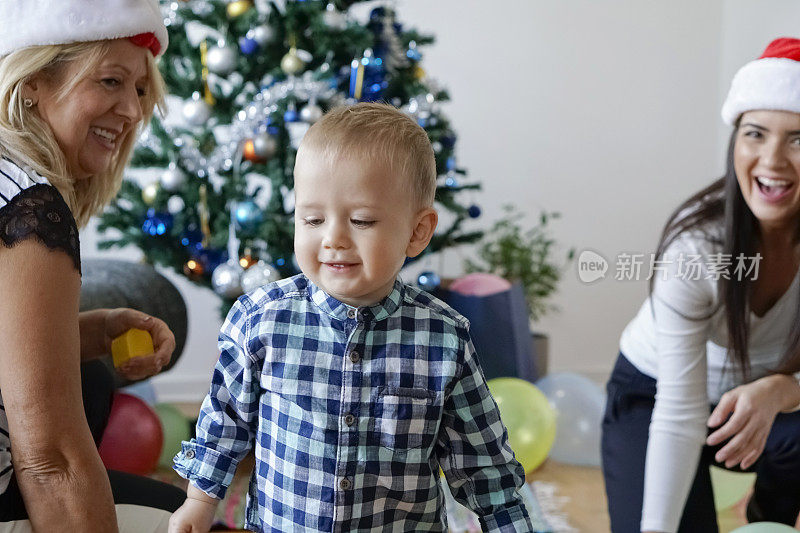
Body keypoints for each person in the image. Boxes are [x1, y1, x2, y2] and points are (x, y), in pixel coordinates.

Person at [169, 102, 534, 532]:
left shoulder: (443, 339)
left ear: (417, 232)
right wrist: (198, 501)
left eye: (361, 220)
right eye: (313, 219)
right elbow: (224, 423)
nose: (333, 238)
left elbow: (484, 465)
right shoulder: (261, 321)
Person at [0, 0, 185, 531]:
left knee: (92, 381)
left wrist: (99, 331)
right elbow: (50, 462)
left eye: (140, 89)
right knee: (186, 517)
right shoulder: (28, 212)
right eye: (110, 82)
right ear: (33, 78)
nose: (131, 110)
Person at [602, 37, 800, 532]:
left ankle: (768, 513)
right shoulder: (698, 252)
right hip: (655, 398)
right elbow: (678, 414)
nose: (773, 160)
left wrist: (782, 389)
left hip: (764, 408)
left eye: (799, 138)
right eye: (756, 133)